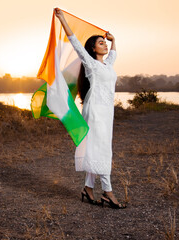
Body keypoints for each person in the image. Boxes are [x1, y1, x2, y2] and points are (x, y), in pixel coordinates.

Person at [55, 8, 126, 209]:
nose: (104, 45)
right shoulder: (91, 64)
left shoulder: (107, 65)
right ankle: (108, 192)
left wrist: (113, 40)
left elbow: (113, 54)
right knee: (102, 149)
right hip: (94, 112)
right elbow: (76, 43)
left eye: (104, 43)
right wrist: (62, 20)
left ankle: (88, 188)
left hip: (106, 112)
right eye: (100, 43)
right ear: (93, 49)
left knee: (97, 149)